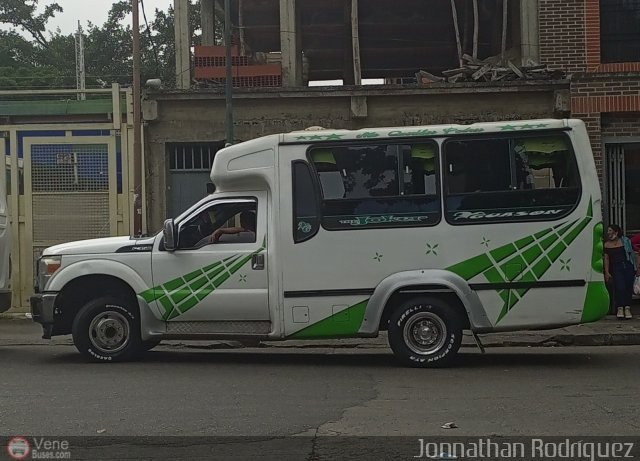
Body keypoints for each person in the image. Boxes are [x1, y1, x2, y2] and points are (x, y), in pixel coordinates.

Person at [604, 224, 638, 319]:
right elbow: (606, 259)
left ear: (616, 232)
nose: (608, 233)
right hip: (616, 268)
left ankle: (627, 308)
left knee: (628, 287)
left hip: (628, 266)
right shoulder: (606, 244)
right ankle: (620, 307)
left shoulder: (625, 241)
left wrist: (637, 268)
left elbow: (633, 253)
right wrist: (607, 272)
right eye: (608, 231)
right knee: (620, 288)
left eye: (610, 231)